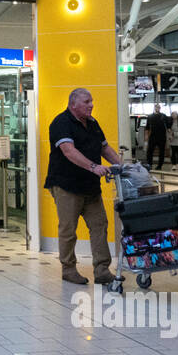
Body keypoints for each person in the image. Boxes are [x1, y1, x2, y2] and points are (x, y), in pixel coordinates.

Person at [45, 88, 123, 286]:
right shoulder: (61, 123)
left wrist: (124, 166)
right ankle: (68, 269)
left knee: (99, 225)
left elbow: (105, 148)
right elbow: (69, 151)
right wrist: (93, 166)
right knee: (68, 229)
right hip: (66, 185)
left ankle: (102, 270)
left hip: (90, 187)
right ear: (73, 105)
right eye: (87, 102)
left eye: (92, 101)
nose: (91, 105)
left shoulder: (93, 124)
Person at [144, 102, 168, 171]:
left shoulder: (163, 116)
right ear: (154, 108)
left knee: (162, 151)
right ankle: (149, 164)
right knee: (150, 151)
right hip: (153, 136)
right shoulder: (150, 116)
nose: (157, 108)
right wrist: (146, 135)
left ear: (160, 108)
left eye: (158, 107)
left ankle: (160, 165)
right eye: (156, 107)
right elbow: (147, 127)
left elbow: (168, 126)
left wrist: (170, 134)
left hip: (162, 136)